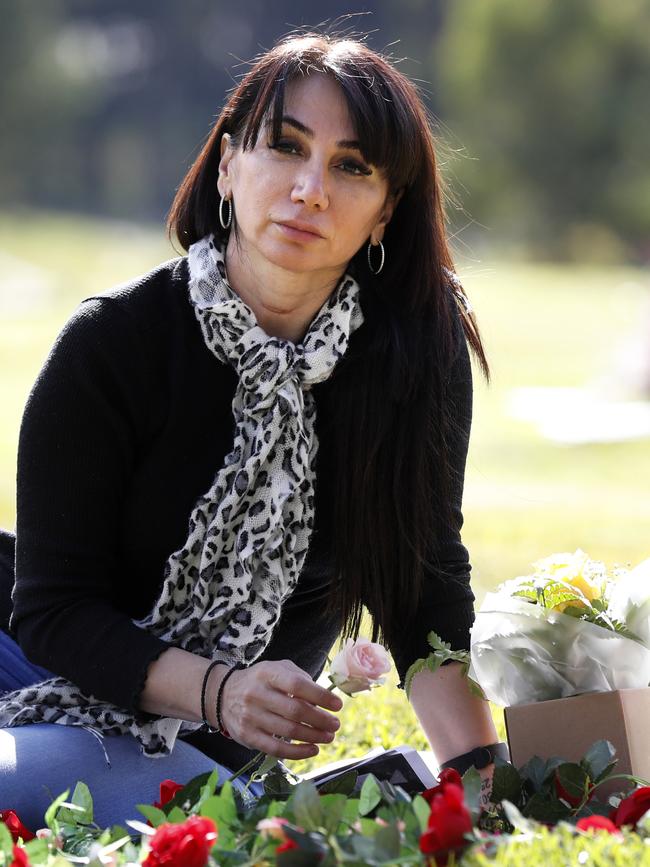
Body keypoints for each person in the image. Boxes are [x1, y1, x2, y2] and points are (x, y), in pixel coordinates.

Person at [0, 32, 502, 828]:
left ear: (385, 212)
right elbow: (52, 612)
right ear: (229, 167)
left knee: (180, 797)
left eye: (352, 166)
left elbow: (424, 589)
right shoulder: (112, 343)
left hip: (206, 739)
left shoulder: (411, 359)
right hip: (38, 664)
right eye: (286, 148)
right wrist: (219, 689)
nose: (310, 189)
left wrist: (483, 786)